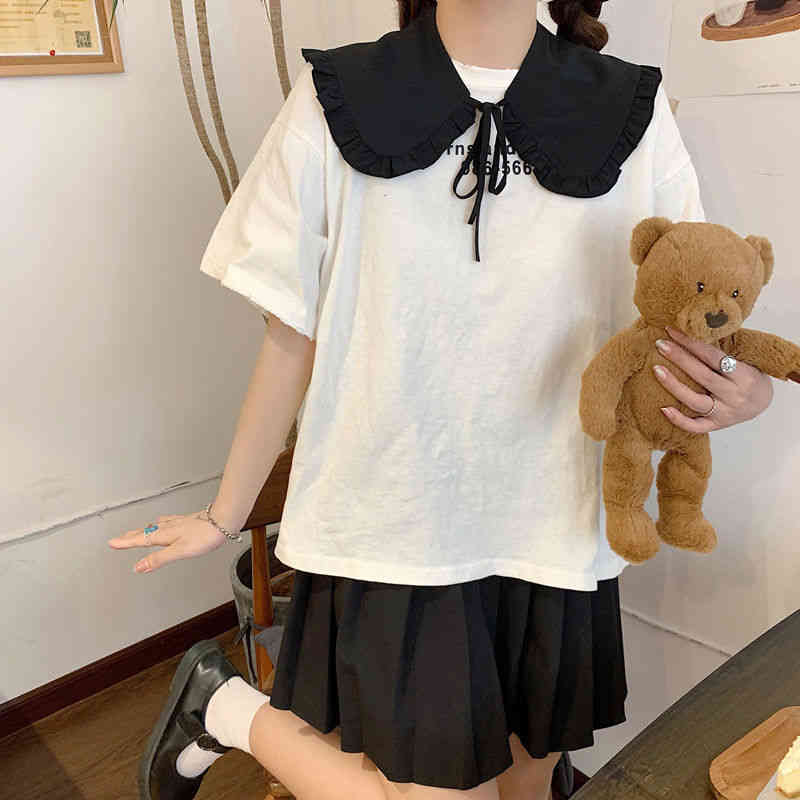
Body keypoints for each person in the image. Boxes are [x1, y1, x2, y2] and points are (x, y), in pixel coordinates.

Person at [108, 1, 774, 799]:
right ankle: (224, 706)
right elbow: (292, 332)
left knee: (529, 786)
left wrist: (747, 389)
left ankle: (217, 702)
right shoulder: (335, 97)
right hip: (395, 526)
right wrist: (224, 516)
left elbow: (690, 303)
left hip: (554, 526)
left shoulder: (634, 110)